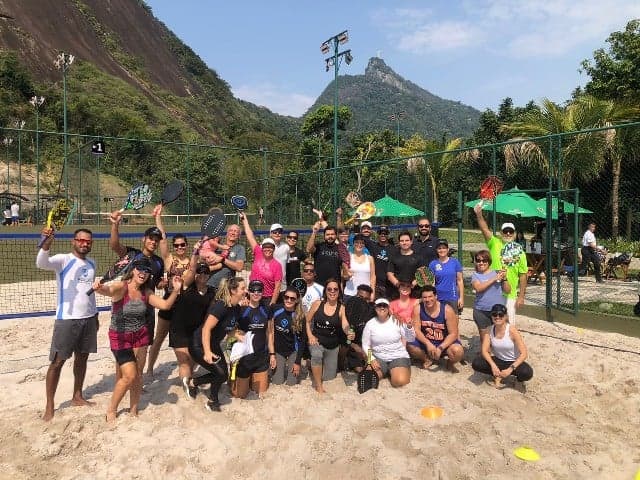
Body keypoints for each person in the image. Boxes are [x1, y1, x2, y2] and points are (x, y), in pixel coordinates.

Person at [91, 258, 182, 422]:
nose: (143, 273)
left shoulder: (146, 292)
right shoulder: (122, 287)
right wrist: (100, 288)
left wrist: (175, 290)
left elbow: (165, 305)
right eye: (140, 269)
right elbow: (110, 289)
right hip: (120, 337)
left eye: (147, 270)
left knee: (138, 376)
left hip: (140, 335)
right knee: (129, 376)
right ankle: (111, 410)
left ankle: (133, 409)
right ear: (132, 270)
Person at [36, 227, 98, 421]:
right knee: (57, 362)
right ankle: (50, 404)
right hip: (66, 320)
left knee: (82, 359)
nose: (84, 244)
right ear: (74, 241)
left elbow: (90, 292)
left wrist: (95, 316)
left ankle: (77, 396)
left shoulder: (92, 263)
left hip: (88, 319)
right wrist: (47, 241)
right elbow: (41, 262)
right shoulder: (63, 260)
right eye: (81, 240)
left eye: (88, 241)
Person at [188, 277, 246, 412]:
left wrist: (235, 335)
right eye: (243, 288)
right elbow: (206, 329)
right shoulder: (221, 306)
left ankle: (194, 382)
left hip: (213, 344)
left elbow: (228, 327)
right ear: (233, 290)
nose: (245, 291)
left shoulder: (236, 308)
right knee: (219, 373)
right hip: (199, 344)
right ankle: (213, 401)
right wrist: (207, 352)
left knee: (223, 374)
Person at [146, 204, 191, 376]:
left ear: (186, 245)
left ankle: (186, 368)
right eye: (177, 245)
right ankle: (150, 369)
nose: (180, 247)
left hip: (184, 305)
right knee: (159, 338)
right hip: (168, 302)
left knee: (183, 340)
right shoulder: (169, 259)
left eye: (182, 245)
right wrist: (158, 216)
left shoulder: (191, 262)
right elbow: (162, 238)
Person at [108, 210, 165, 344]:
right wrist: (115, 225)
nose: (153, 242)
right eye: (151, 238)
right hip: (126, 307)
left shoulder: (159, 262)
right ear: (144, 239)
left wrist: (164, 283)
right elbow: (114, 245)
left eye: (156, 240)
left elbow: (157, 284)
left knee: (143, 348)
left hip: (147, 309)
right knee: (123, 349)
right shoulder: (132, 254)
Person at [169, 259, 216, 400]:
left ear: (209, 275)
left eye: (206, 272)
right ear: (195, 274)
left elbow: (212, 312)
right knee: (184, 361)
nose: (202, 274)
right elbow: (189, 272)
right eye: (199, 271)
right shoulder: (187, 287)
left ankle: (188, 380)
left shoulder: (212, 292)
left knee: (193, 360)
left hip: (196, 331)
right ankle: (187, 387)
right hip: (179, 330)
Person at [473, 203, 527, 324]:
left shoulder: (520, 252)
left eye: (510, 231)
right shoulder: (495, 243)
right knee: (492, 324)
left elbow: (523, 275)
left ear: (515, 233)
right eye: (505, 231)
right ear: (501, 232)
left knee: (508, 325)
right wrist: (479, 214)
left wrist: (521, 296)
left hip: (509, 294)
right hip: (492, 292)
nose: (508, 234)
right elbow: (484, 229)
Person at [306, 278, 353, 393]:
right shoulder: (317, 304)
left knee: (329, 377)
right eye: (329, 289)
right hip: (317, 341)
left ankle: (312, 365)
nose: (332, 291)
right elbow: (306, 321)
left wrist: (349, 332)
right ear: (325, 291)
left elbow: (345, 325)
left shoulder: (342, 308)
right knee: (317, 354)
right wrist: (310, 336)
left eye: (335, 289)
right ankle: (318, 386)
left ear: (339, 292)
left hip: (332, 345)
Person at [471, 304, 533, 388]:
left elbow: (524, 353)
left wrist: (510, 369)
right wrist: (493, 365)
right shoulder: (489, 330)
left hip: (513, 361)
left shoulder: (511, 330)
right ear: (491, 316)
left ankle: (518, 380)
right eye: (494, 315)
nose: (497, 317)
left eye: (500, 315)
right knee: (476, 363)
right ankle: (497, 375)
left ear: (506, 316)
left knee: (527, 373)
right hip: (498, 360)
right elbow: (484, 351)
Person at [232, 280, 275, 398]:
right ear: (248, 292)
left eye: (259, 290)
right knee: (239, 395)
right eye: (253, 290)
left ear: (263, 292)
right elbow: (230, 330)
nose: (256, 293)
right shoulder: (241, 309)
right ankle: (234, 374)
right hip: (244, 357)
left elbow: (270, 333)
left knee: (261, 392)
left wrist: (272, 354)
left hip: (261, 356)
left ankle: (251, 378)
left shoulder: (267, 309)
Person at [407, 285, 464, 372]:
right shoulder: (418, 309)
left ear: (436, 296)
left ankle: (450, 363)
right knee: (410, 344)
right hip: (427, 341)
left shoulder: (447, 310)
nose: (428, 300)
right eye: (425, 297)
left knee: (458, 351)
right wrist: (427, 343)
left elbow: (453, 334)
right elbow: (416, 330)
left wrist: (441, 348)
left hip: (444, 342)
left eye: (430, 296)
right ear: (421, 298)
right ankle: (426, 358)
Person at [361, 298, 411, 387]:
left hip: (397, 356)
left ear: (388, 308)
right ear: (375, 308)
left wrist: (409, 327)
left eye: (384, 306)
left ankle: (396, 370)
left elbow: (409, 337)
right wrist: (371, 359)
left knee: (399, 381)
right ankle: (387, 371)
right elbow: (365, 344)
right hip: (378, 357)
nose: (382, 308)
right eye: (379, 306)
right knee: (367, 381)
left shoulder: (397, 321)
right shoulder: (370, 324)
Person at [241, 213, 282, 306]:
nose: (268, 249)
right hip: (252, 294)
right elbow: (250, 236)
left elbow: (277, 286)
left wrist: (273, 302)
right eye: (265, 247)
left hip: (266, 298)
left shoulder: (276, 265)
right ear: (262, 248)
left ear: (274, 249)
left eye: (270, 247)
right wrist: (245, 220)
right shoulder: (258, 253)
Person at [471, 250, 511, 344]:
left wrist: (504, 279)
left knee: (504, 335)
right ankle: (486, 356)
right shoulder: (475, 275)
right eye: (478, 260)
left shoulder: (497, 272)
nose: (481, 263)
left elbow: (507, 290)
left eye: (484, 260)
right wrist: (494, 278)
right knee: (485, 339)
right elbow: (479, 288)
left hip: (498, 311)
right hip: (481, 311)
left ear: (489, 262)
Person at [271, 286, 307, 386]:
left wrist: (298, 362)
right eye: (286, 297)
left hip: (293, 350)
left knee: (292, 383)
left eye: (292, 298)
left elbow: (303, 340)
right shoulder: (275, 309)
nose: (289, 300)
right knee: (277, 382)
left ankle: (293, 364)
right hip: (278, 350)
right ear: (283, 297)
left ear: (296, 300)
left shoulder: (299, 316)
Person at [342, 284, 375, 372]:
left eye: (365, 299)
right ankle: (342, 364)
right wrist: (356, 347)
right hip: (348, 343)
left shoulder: (372, 311)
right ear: (356, 294)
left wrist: (367, 355)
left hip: (365, 345)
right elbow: (343, 335)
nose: (362, 301)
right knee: (359, 369)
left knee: (369, 368)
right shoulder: (347, 306)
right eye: (360, 297)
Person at [204, 223, 246, 293]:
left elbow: (239, 267)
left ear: (239, 236)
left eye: (235, 231)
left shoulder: (240, 248)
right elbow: (204, 258)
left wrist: (223, 259)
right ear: (227, 233)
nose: (233, 233)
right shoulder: (217, 244)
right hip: (208, 284)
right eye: (231, 230)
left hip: (225, 288)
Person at [429, 239, 464, 314]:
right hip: (438, 297)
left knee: (454, 321)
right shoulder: (433, 264)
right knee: (440, 322)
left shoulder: (455, 262)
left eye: (444, 248)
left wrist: (461, 298)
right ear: (436, 250)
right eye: (439, 248)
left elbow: (460, 281)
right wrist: (432, 297)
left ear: (448, 249)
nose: (442, 250)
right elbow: (432, 283)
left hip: (452, 297)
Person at [387, 231, 420, 299]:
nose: (404, 243)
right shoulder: (394, 256)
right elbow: (389, 274)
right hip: (396, 293)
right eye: (402, 241)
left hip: (414, 292)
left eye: (407, 240)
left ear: (411, 242)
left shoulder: (418, 257)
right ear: (399, 243)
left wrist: (411, 285)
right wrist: (399, 285)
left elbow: (422, 273)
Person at [365, 225, 395, 299]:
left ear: (388, 234)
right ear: (377, 234)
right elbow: (359, 237)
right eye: (380, 233)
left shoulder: (394, 249)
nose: (383, 235)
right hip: (375, 285)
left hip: (389, 286)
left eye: (385, 233)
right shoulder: (372, 246)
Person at [343, 234, 375, 300]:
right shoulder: (347, 257)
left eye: (362, 243)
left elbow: (373, 277)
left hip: (365, 295)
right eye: (357, 242)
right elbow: (344, 276)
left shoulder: (370, 258)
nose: (359, 245)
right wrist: (347, 275)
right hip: (350, 294)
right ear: (353, 243)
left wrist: (372, 293)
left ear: (364, 244)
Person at [268, 222, 290, 293]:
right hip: (268, 285)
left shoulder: (286, 247)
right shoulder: (264, 246)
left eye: (280, 231)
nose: (277, 233)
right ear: (270, 234)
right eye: (275, 232)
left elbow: (286, 265)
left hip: (282, 285)